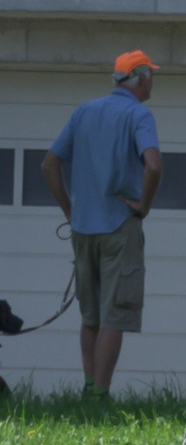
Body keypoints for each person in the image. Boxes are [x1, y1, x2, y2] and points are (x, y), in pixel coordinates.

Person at [41, 51, 162, 396]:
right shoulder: (139, 114)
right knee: (115, 315)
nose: (152, 80)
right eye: (150, 74)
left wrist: (70, 211)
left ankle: (89, 386)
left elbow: (49, 164)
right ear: (139, 78)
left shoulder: (84, 111)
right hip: (120, 227)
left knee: (90, 315)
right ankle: (101, 395)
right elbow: (153, 165)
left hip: (83, 231)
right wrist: (144, 205)